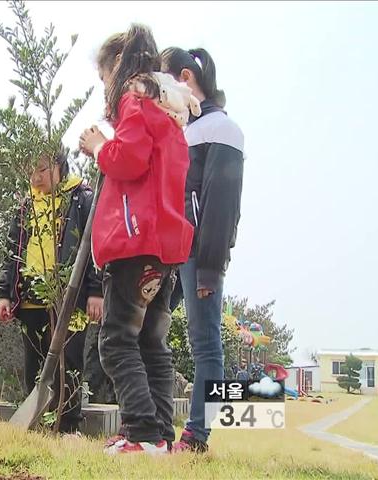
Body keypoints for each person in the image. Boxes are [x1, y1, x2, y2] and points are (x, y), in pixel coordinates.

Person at [78, 24, 195, 455]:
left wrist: (97, 146)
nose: (104, 86)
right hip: (164, 244)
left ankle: (142, 431)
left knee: (117, 340)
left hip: (132, 241)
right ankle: (161, 434)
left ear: (118, 67)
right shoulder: (168, 109)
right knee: (152, 342)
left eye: (103, 77)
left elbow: (127, 159)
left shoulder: (134, 98)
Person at [161, 47, 245, 453]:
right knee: (151, 332)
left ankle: (197, 436)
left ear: (185, 79)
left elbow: (222, 206)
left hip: (199, 253)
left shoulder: (222, 129)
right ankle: (154, 425)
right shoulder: (184, 130)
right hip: (173, 251)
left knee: (206, 344)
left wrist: (211, 267)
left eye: (165, 82)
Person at [0, 147, 103, 435]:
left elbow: (95, 248)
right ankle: (36, 426)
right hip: (30, 297)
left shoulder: (82, 199)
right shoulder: (25, 205)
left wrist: (95, 291)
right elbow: (11, 252)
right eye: (31, 170)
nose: (35, 177)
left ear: (59, 166)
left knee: (68, 365)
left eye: (42, 169)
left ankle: (68, 426)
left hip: (68, 297)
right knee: (33, 367)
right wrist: (4, 294)